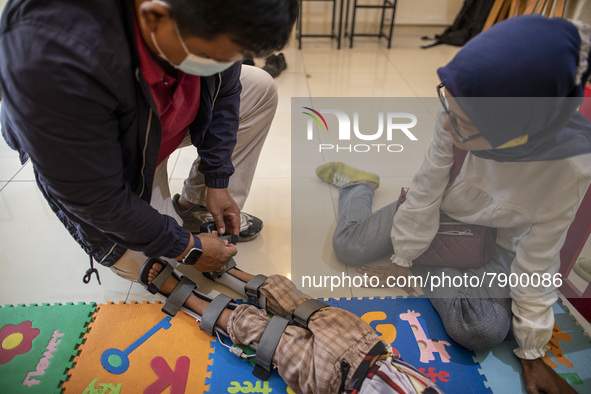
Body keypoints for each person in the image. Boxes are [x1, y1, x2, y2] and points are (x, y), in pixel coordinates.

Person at [316, 15, 591, 394]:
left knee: (481, 329)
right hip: (438, 214)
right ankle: (360, 185)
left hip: (498, 244)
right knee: (347, 245)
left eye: (463, 124)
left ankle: (432, 269)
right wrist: (403, 258)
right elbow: (426, 189)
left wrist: (533, 352)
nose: (447, 125)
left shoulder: (569, 170)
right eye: (448, 100)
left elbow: (539, 261)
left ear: (515, 136)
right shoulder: (457, 114)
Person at [0, 0, 298, 282]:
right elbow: (95, 197)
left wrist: (218, 179)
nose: (222, 67)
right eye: (212, 58)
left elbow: (226, 91)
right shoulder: (54, 59)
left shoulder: (211, 14)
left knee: (258, 86)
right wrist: (188, 248)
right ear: (154, 17)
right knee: (166, 264)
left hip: (157, 116)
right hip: (105, 150)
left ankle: (194, 206)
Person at [140, 257, 444, 394]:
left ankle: (188, 297)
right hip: (371, 348)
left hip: (333, 384)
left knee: (264, 335)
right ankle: (230, 273)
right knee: (300, 302)